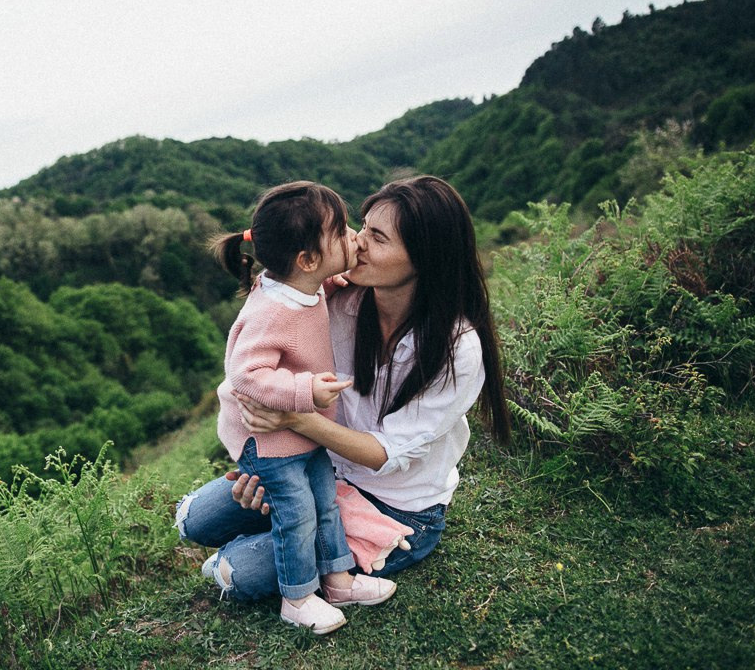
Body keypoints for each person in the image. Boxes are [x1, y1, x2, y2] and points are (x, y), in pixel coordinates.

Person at [176, 175, 511, 605]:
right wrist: (267, 468)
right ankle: (286, 516)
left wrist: (297, 419)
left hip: (393, 505)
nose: (357, 241)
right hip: (318, 468)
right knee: (195, 520)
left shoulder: (457, 348)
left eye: (377, 236)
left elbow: (383, 453)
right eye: (360, 226)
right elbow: (258, 364)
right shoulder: (336, 300)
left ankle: (285, 533)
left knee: (233, 572)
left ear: (424, 256)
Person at [205, 180, 403, 635]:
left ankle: (337, 580)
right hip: (270, 440)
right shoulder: (270, 311)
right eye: (344, 232)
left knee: (326, 502)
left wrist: (334, 278)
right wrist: (305, 390)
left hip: (301, 434)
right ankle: (297, 598)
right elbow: (246, 375)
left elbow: (318, 293)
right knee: (298, 515)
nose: (355, 238)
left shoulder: (303, 285)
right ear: (308, 260)